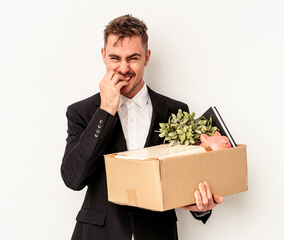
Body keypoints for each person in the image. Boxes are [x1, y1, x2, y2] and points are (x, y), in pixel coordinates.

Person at [61, 14, 223, 240]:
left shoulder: (176, 112)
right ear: (103, 56)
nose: (124, 68)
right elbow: (73, 178)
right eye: (115, 58)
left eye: (133, 58)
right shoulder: (82, 112)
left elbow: (188, 180)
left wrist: (201, 206)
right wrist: (105, 110)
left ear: (147, 57)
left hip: (158, 233)